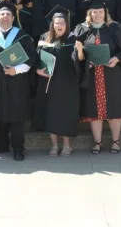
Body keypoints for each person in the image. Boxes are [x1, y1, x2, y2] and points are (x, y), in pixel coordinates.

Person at [73, 0, 121, 154]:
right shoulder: (82, 29)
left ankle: (116, 142)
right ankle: (97, 142)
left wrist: (117, 59)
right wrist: (86, 61)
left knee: (114, 109)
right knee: (94, 110)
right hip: (92, 75)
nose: (98, 15)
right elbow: (76, 54)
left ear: (105, 12)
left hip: (112, 74)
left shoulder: (115, 27)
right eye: (95, 12)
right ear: (90, 13)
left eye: (101, 12)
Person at [0, 4, 36, 161]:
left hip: (17, 81)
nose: (5, 16)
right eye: (2, 14)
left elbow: (31, 59)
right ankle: (1, 145)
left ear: (12, 18)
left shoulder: (22, 36)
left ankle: (18, 147)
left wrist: (15, 70)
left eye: (8, 14)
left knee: (17, 115)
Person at [34, 10, 80, 156]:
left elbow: (79, 61)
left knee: (66, 113)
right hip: (49, 82)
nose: (60, 25)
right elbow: (36, 58)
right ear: (52, 25)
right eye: (57, 23)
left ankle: (67, 146)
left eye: (62, 23)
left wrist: (80, 52)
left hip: (67, 82)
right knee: (51, 113)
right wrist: (38, 70)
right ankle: (54, 146)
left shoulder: (73, 39)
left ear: (66, 24)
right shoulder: (44, 38)